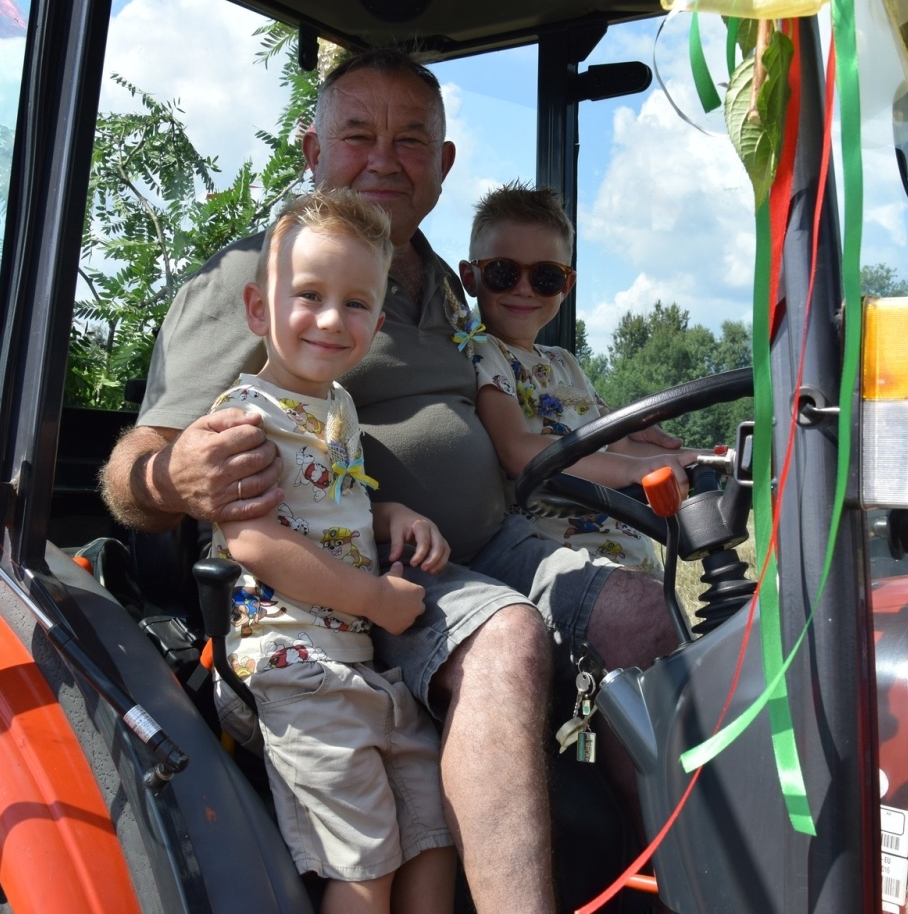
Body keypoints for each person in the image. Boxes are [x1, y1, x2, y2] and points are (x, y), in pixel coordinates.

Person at [101, 48, 678, 913]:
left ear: (443, 164)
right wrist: (173, 473)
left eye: (410, 140)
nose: (385, 159)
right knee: (507, 640)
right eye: (357, 135)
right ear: (313, 151)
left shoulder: (443, 282)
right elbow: (130, 472)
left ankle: (670, 887)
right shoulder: (267, 274)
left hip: (495, 541)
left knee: (644, 612)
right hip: (367, 572)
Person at [210, 190, 455, 913]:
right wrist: (375, 598)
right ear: (259, 310)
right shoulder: (244, 418)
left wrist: (392, 516)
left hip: (360, 667)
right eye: (309, 295)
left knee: (433, 836)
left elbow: (327, 508)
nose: (329, 319)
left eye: (355, 304)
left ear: (376, 325)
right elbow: (255, 539)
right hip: (294, 666)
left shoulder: (337, 407)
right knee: (363, 862)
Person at [461, 183, 695, 575]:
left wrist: (696, 459)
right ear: (470, 277)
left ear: (566, 286)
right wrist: (632, 471)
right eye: (503, 272)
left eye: (546, 277)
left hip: (629, 555)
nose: (524, 289)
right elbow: (516, 450)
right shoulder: (484, 352)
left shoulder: (564, 362)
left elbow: (620, 445)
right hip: (562, 562)